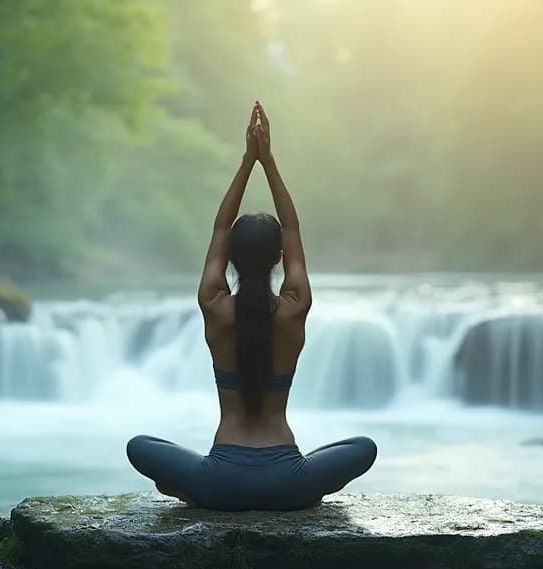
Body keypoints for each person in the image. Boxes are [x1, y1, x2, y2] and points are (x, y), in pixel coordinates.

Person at [125, 101, 377, 511]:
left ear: (231, 259)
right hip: (288, 483)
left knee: (140, 446)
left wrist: (247, 163)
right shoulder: (295, 309)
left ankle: (195, 494)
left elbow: (221, 228)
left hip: (220, 481)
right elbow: (292, 228)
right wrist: (269, 162)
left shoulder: (215, 306)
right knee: (363, 447)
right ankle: (302, 493)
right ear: (279, 258)